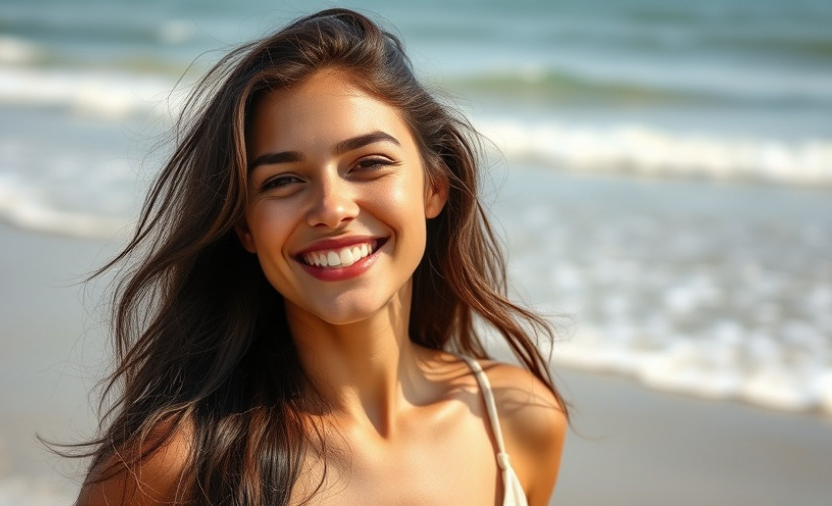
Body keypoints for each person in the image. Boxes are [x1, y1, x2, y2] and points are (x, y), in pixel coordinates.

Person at [74, 8, 566, 506]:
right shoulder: (169, 468)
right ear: (245, 225)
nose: (331, 209)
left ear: (434, 187)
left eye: (368, 163)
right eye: (283, 180)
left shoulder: (518, 418)